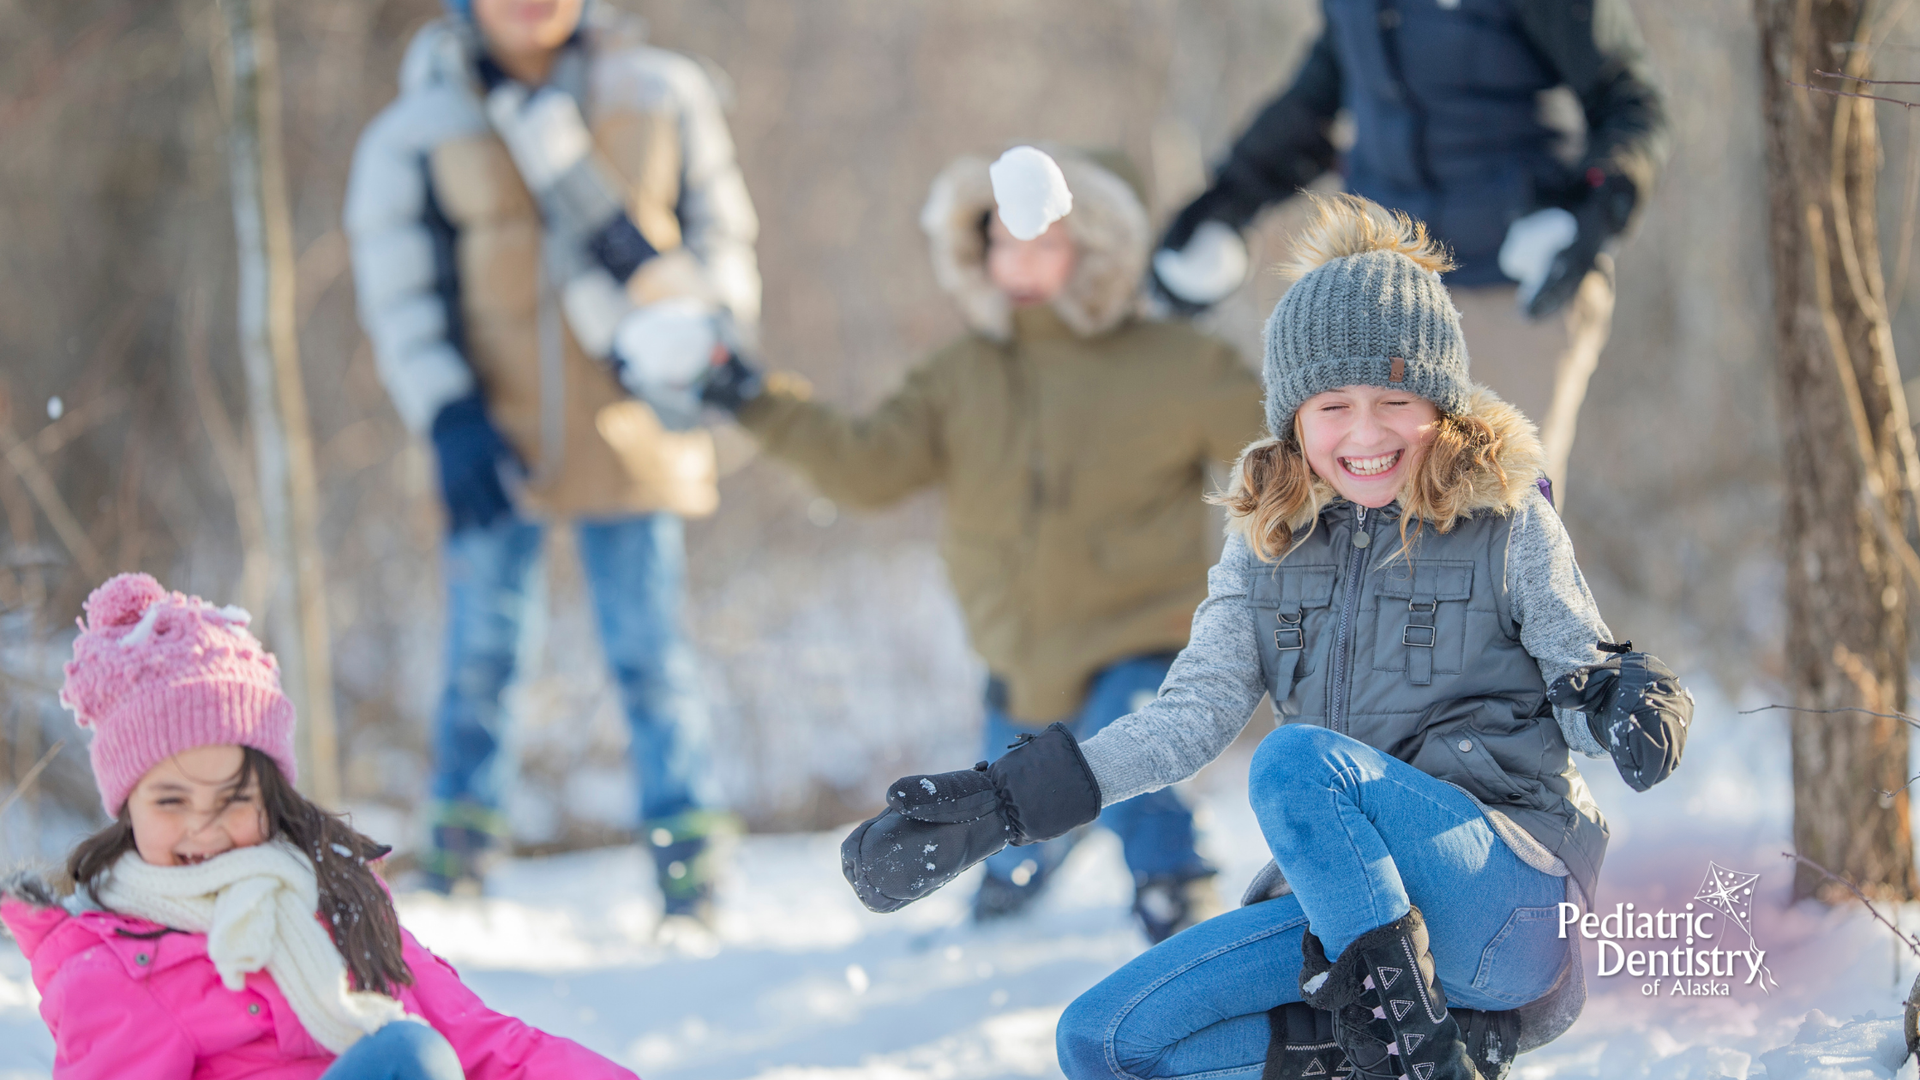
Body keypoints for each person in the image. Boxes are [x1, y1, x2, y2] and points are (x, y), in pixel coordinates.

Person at [840, 196, 1691, 1079]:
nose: (1365, 435)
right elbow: (1187, 719)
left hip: (1501, 892)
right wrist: (1005, 802)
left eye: (1396, 399)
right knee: (1103, 1041)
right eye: (1333, 406)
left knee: (1291, 762)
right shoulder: (1267, 546)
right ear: (1293, 416)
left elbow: (1582, 676)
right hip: (1356, 916)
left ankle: (1414, 1058)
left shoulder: (1506, 522)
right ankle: (1418, 1049)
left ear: (1442, 402)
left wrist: (1629, 698)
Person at [702, 148, 1267, 942]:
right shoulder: (959, 376)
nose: (1021, 261)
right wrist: (755, 400)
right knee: (1002, 851)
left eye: (1042, 241)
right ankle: (1019, 884)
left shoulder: (1175, 363)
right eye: (1003, 241)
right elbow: (867, 467)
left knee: (1144, 774)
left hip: (1140, 645)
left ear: (1093, 248)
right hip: (1021, 670)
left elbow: (1278, 448)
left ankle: (1175, 897)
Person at [343, 0, 759, 915]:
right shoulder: (416, 132)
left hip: (636, 427)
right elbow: (400, 291)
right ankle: (459, 868)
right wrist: (448, 411)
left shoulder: (662, 94)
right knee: (483, 656)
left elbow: (721, 239)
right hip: (491, 435)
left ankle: (690, 869)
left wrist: (703, 340)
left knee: (652, 654)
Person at [1, 573, 640, 1080]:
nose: (204, 828)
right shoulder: (117, 967)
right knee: (405, 1060)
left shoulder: (337, 902)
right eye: (171, 802)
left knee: (420, 1053)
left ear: (271, 796)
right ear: (128, 807)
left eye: (231, 800)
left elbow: (479, 1043)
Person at [1149, 0, 1668, 500]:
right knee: (1367, 520)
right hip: (1388, 296)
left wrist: (1596, 209)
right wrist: (1226, 199)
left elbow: (1627, 100)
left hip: (1512, 283)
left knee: (1495, 516)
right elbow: (1321, 92)